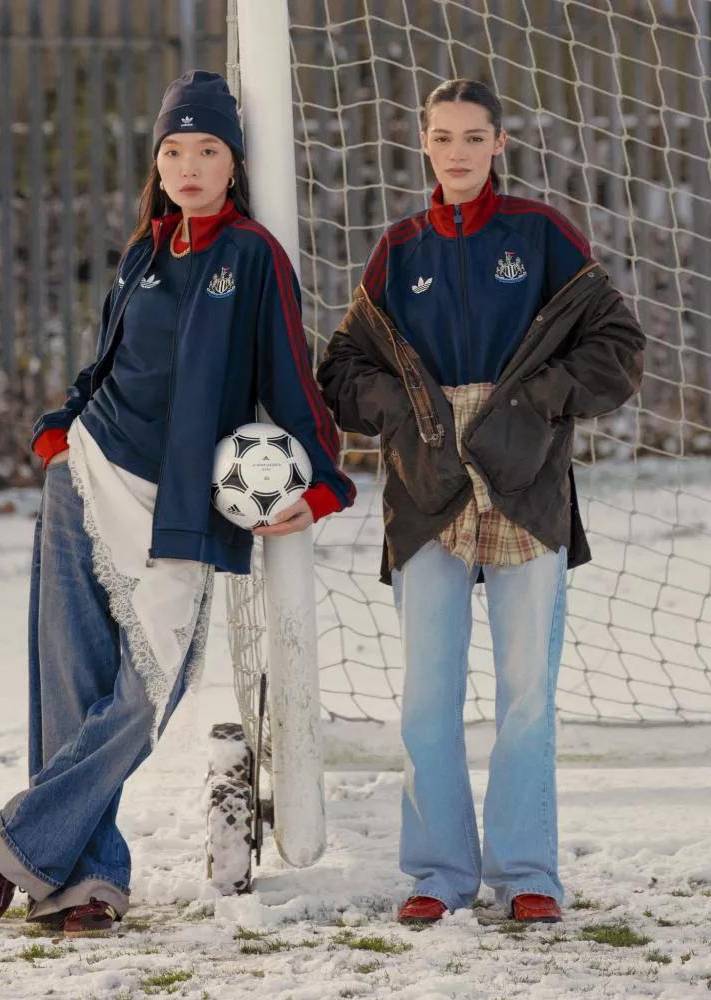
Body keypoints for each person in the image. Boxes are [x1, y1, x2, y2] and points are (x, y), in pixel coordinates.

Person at [0, 70, 355, 934]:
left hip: (180, 508)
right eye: (174, 149)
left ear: (233, 161)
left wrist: (323, 482)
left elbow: (291, 383)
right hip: (87, 477)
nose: (188, 165)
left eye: (207, 149)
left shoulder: (254, 258)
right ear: (158, 159)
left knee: (145, 695)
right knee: (70, 683)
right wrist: (60, 427)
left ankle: (20, 846)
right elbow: (105, 362)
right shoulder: (146, 248)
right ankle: (84, 887)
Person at [316, 78, 644, 925]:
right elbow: (342, 370)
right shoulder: (399, 250)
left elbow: (619, 346)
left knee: (526, 694)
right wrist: (394, 408)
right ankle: (437, 873)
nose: (456, 151)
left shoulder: (540, 237)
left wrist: (538, 402)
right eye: (441, 137)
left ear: (500, 142)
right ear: (421, 143)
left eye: (473, 137)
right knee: (428, 696)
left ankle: (528, 872)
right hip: (426, 489)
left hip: (524, 483)